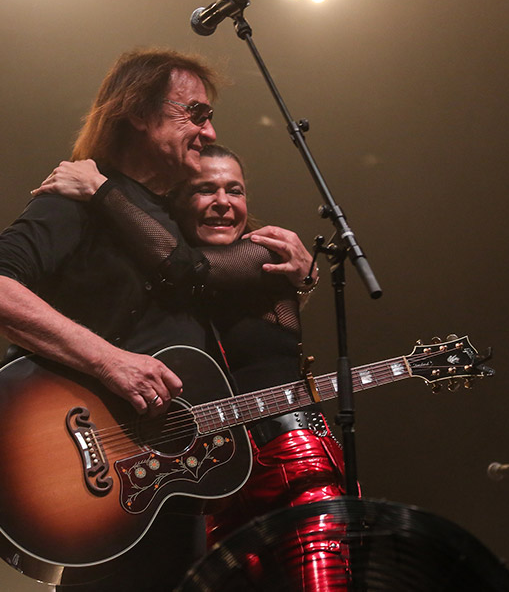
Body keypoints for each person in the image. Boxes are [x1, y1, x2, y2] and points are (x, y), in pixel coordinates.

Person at [0, 50, 314, 590]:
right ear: (138, 114)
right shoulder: (73, 202)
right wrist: (111, 362)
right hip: (94, 473)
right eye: (195, 113)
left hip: (173, 480)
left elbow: (227, 296)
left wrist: (301, 278)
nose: (209, 130)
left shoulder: (170, 226)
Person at [34, 144, 352, 589]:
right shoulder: (169, 284)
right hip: (216, 478)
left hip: (291, 461)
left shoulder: (258, 256)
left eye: (235, 190)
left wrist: (99, 189)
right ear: (175, 204)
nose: (224, 201)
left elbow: (185, 267)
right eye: (205, 189)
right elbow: (170, 267)